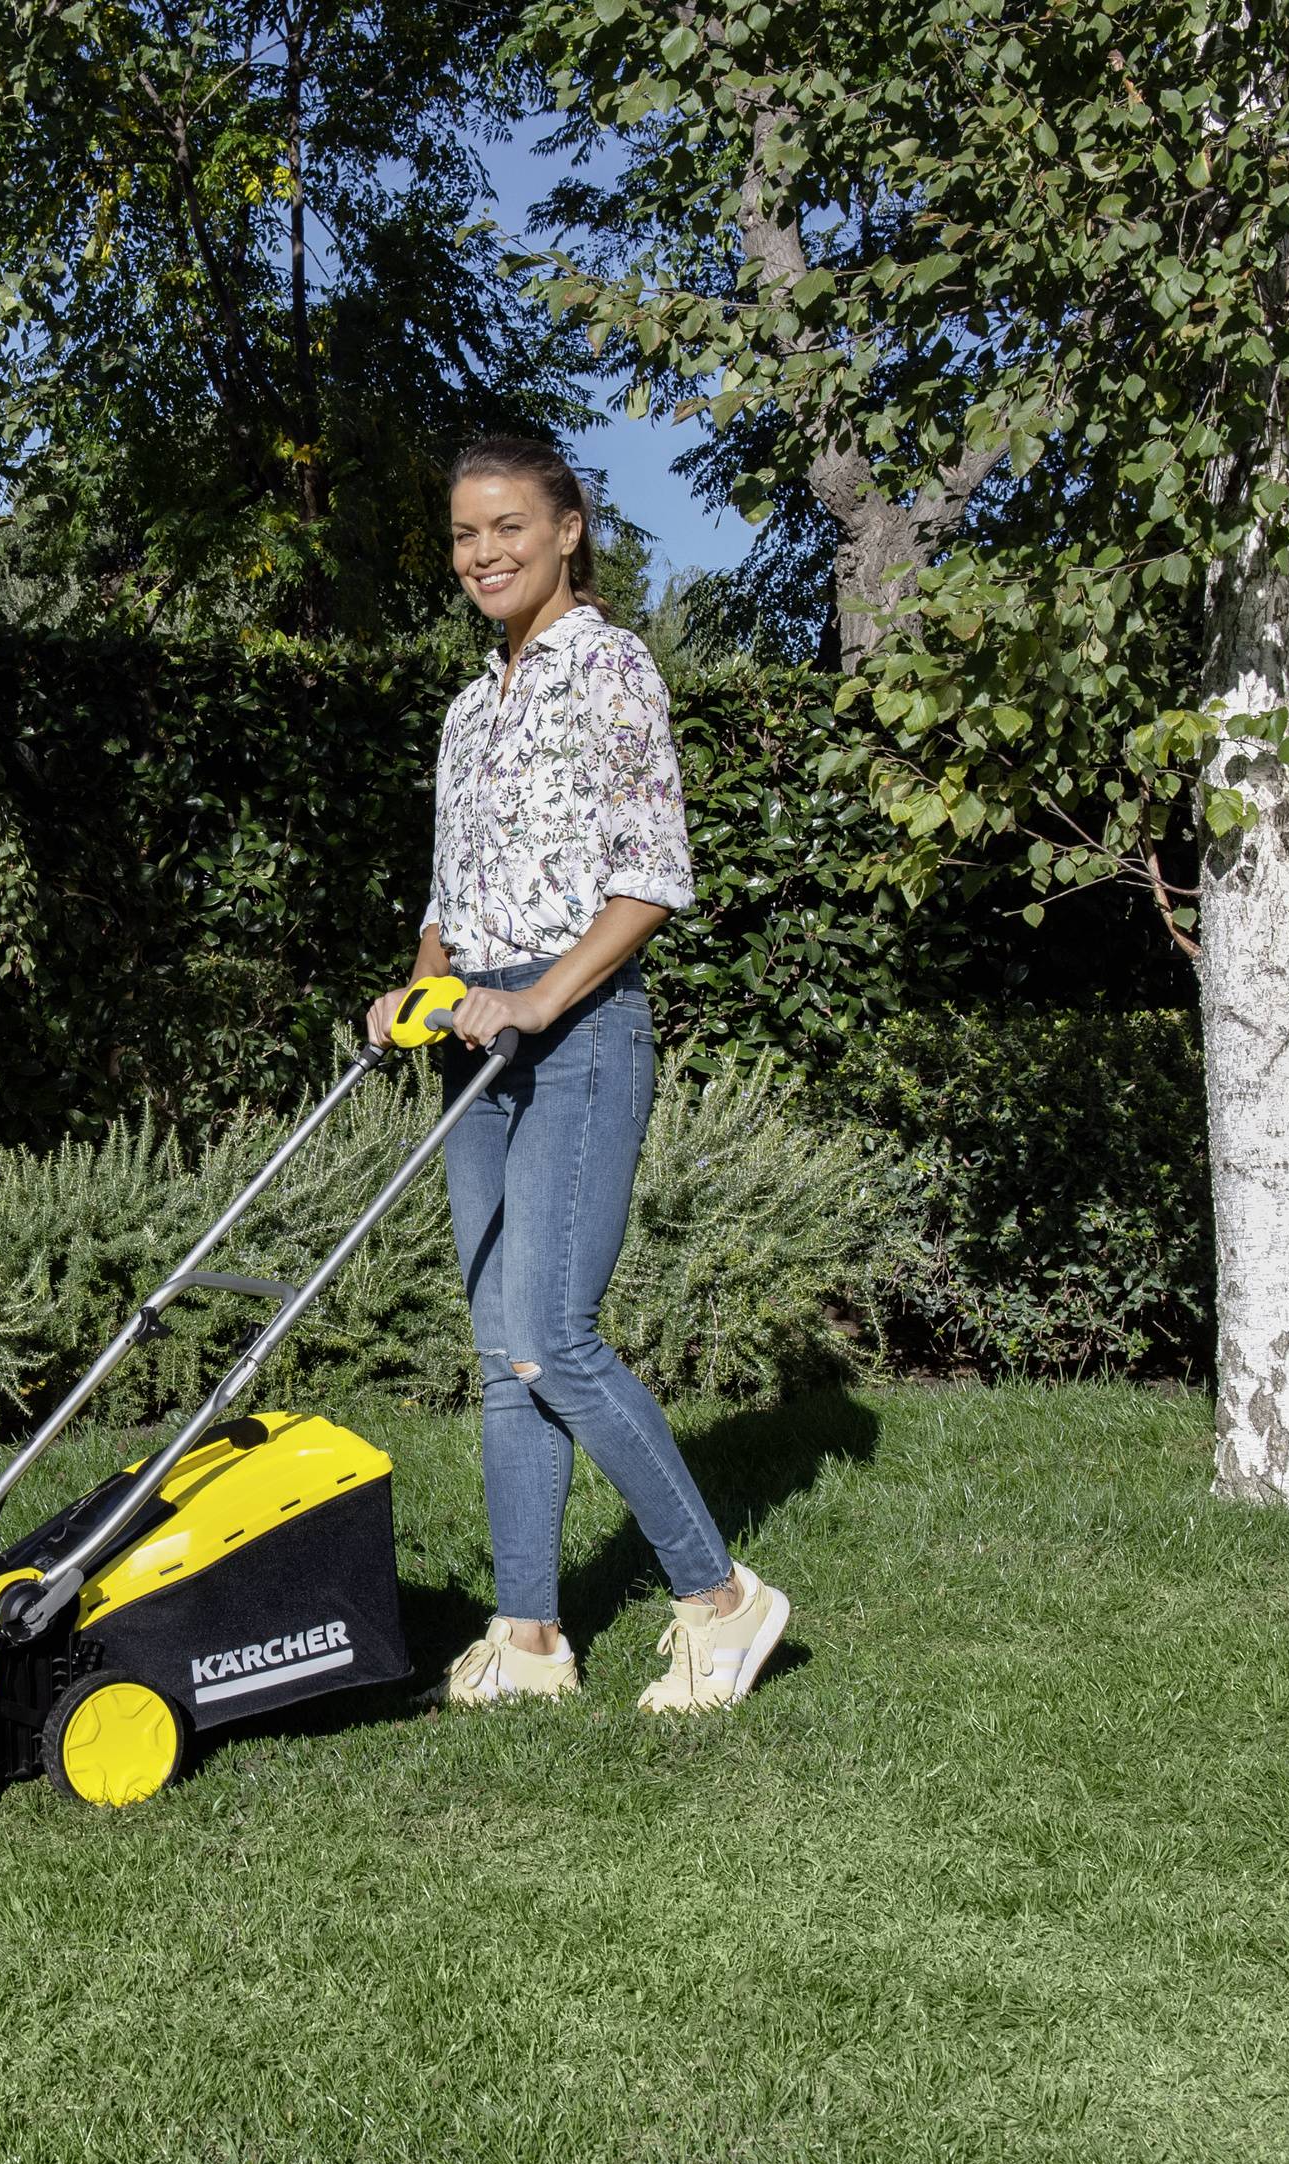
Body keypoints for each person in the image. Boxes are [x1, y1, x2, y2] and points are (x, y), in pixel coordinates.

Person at [366, 437, 791, 1715]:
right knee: (503, 1350)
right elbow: (450, 895)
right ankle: (530, 1633)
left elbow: (653, 873)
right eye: (462, 534)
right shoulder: (466, 705)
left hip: (578, 1033)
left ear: (566, 532)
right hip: (479, 1038)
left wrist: (535, 999)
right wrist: (425, 984)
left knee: (553, 1333)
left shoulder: (610, 667)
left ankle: (721, 1596)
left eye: (507, 527)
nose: (483, 552)